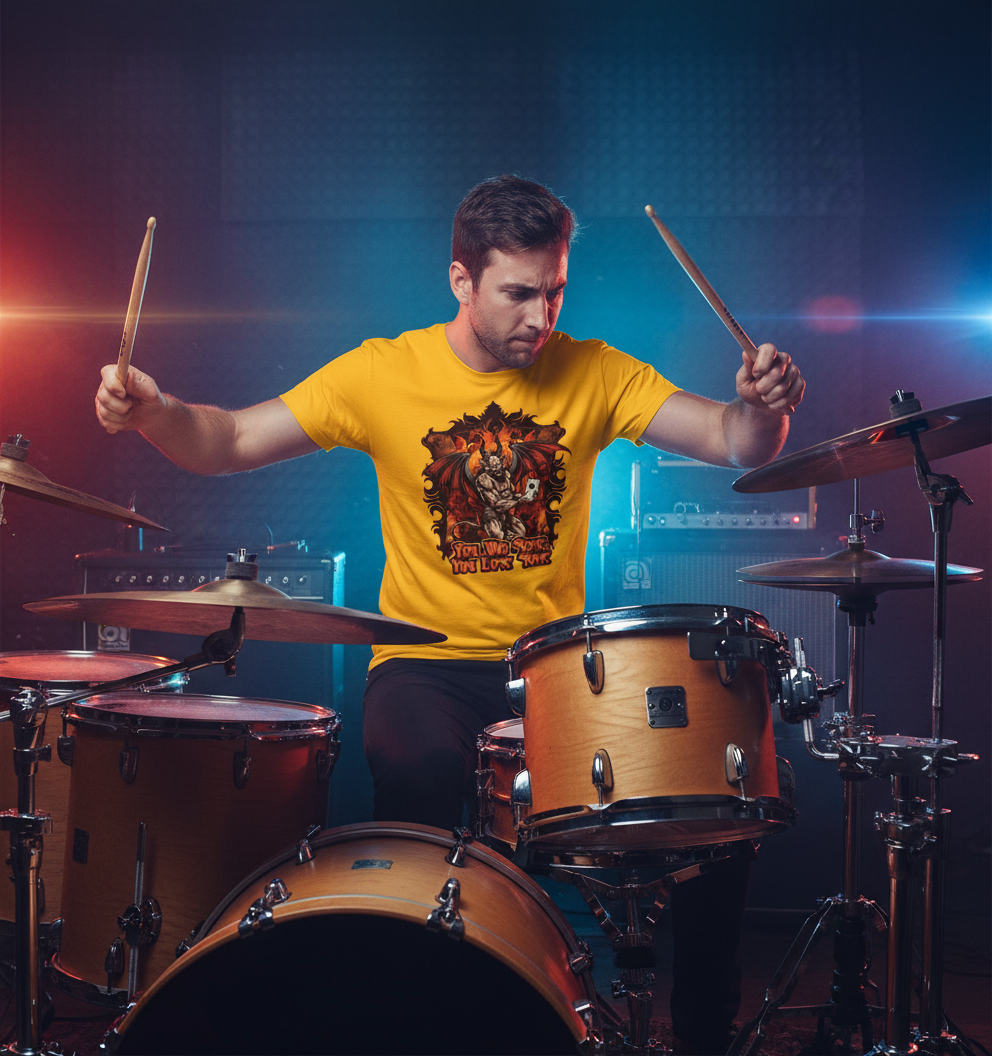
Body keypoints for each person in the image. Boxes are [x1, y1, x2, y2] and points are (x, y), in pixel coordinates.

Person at [95, 175, 804, 1053]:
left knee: (708, 802)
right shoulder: (381, 372)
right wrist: (154, 412)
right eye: (517, 293)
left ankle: (703, 1035)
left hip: (553, 671)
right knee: (420, 770)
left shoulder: (593, 369)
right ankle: (436, 1019)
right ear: (460, 280)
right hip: (423, 668)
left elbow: (734, 440)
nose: (540, 317)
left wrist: (764, 410)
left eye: (554, 292)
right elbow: (230, 440)